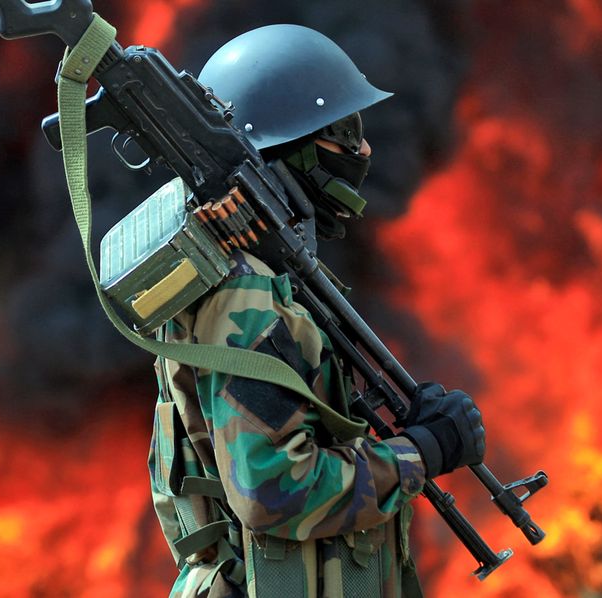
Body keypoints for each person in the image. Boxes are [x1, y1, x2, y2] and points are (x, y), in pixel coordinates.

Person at [148, 24, 486, 598]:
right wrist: (420, 453)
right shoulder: (246, 297)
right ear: (291, 150)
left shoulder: (264, 281)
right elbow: (275, 490)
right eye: (342, 133)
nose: (362, 151)